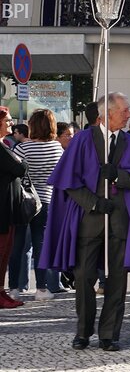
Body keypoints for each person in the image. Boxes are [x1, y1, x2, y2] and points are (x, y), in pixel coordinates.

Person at [41, 93, 130, 351]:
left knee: (117, 279)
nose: (129, 115)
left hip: (120, 222)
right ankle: (83, 331)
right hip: (89, 220)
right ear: (108, 113)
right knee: (83, 277)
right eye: (124, 110)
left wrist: (118, 176)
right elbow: (68, 181)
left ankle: (109, 334)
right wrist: (93, 202)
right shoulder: (82, 139)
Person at [11, 109, 65, 301]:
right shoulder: (57, 148)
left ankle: (14, 288)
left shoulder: (22, 148)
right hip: (47, 200)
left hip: (24, 201)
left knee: (18, 245)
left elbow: (15, 173)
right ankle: (41, 288)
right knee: (41, 245)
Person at [0, 108, 27, 309]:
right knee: (1, 252)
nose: (11, 123)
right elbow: (20, 167)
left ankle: (2, 291)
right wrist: (21, 162)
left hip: (8, 209)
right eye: (8, 120)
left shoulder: (5, 145)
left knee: (5, 254)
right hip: (2, 210)